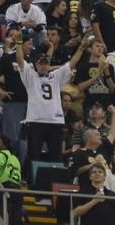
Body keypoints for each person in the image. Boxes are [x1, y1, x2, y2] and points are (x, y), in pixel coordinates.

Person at [16, 31, 91, 170]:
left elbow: (71, 64)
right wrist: (19, 44)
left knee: (56, 155)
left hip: (55, 121)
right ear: (36, 65)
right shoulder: (30, 77)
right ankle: (33, 182)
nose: (44, 66)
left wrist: (81, 48)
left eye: (46, 63)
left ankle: (54, 182)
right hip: (35, 121)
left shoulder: (55, 77)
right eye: (41, 63)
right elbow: (20, 61)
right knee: (34, 154)